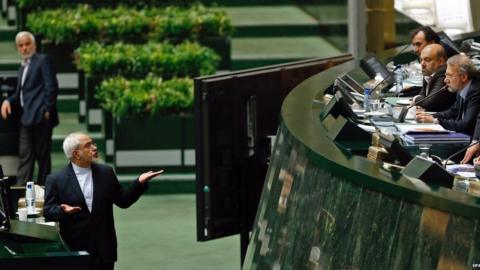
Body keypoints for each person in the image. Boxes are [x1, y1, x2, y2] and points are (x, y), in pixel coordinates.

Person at [43, 132, 163, 270]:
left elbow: (123, 201)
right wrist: (62, 211)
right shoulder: (56, 179)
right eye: (88, 145)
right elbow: (48, 210)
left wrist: (139, 183)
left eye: (93, 143)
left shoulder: (106, 172)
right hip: (75, 247)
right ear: (76, 154)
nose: (94, 147)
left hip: (104, 248)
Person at [0, 31, 59, 185]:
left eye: (27, 44)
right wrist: (8, 101)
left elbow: (51, 87)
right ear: (18, 48)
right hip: (26, 119)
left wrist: (46, 111)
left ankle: (45, 193)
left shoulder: (42, 60)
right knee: (25, 157)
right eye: (21, 45)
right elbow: (20, 93)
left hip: (41, 118)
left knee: (43, 159)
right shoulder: (23, 67)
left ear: (34, 45)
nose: (25, 48)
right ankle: (20, 194)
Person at [416, 54, 480, 136]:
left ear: (463, 77)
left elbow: (465, 125)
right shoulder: (462, 88)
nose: (446, 80)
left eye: (449, 75)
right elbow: (451, 112)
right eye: (446, 75)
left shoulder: (475, 92)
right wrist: (428, 115)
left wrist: (435, 121)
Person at [412, 43, 456, 112]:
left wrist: (415, 99)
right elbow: (422, 96)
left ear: (440, 61)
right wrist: (420, 101)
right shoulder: (429, 73)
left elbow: (429, 103)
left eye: (427, 60)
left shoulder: (444, 74)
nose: (422, 64)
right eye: (421, 60)